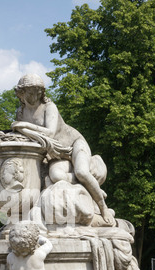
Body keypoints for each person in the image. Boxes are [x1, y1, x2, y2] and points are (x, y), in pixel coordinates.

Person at [11, 73, 115, 226]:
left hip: (73, 144)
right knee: (55, 175)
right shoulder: (21, 113)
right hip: (56, 154)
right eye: (31, 92)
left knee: (81, 172)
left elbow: (50, 132)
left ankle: (102, 206)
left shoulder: (49, 107)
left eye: (38, 91)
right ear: (21, 93)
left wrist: (24, 126)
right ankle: (89, 186)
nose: (35, 95)